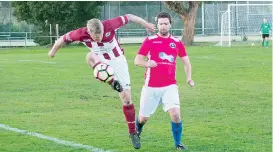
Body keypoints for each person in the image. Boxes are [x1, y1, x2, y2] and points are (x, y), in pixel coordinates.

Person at [48, 14, 155, 149]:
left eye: (101, 35)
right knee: (89, 56)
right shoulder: (81, 33)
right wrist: (52, 52)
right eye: (96, 37)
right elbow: (62, 39)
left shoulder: (110, 24)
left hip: (118, 61)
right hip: (101, 61)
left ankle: (133, 132)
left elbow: (130, 17)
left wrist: (146, 24)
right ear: (90, 32)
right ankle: (111, 81)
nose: (99, 38)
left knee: (127, 99)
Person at [134, 12, 194, 150]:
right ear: (157, 25)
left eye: (166, 23)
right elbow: (137, 60)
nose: (163, 26)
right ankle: (137, 129)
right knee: (143, 118)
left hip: (170, 86)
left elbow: (187, 63)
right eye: (161, 24)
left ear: (170, 24)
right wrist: (147, 64)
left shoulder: (177, 42)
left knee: (176, 114)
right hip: (151, 86)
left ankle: (178, 143)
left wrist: (189, 78)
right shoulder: (149, 40)